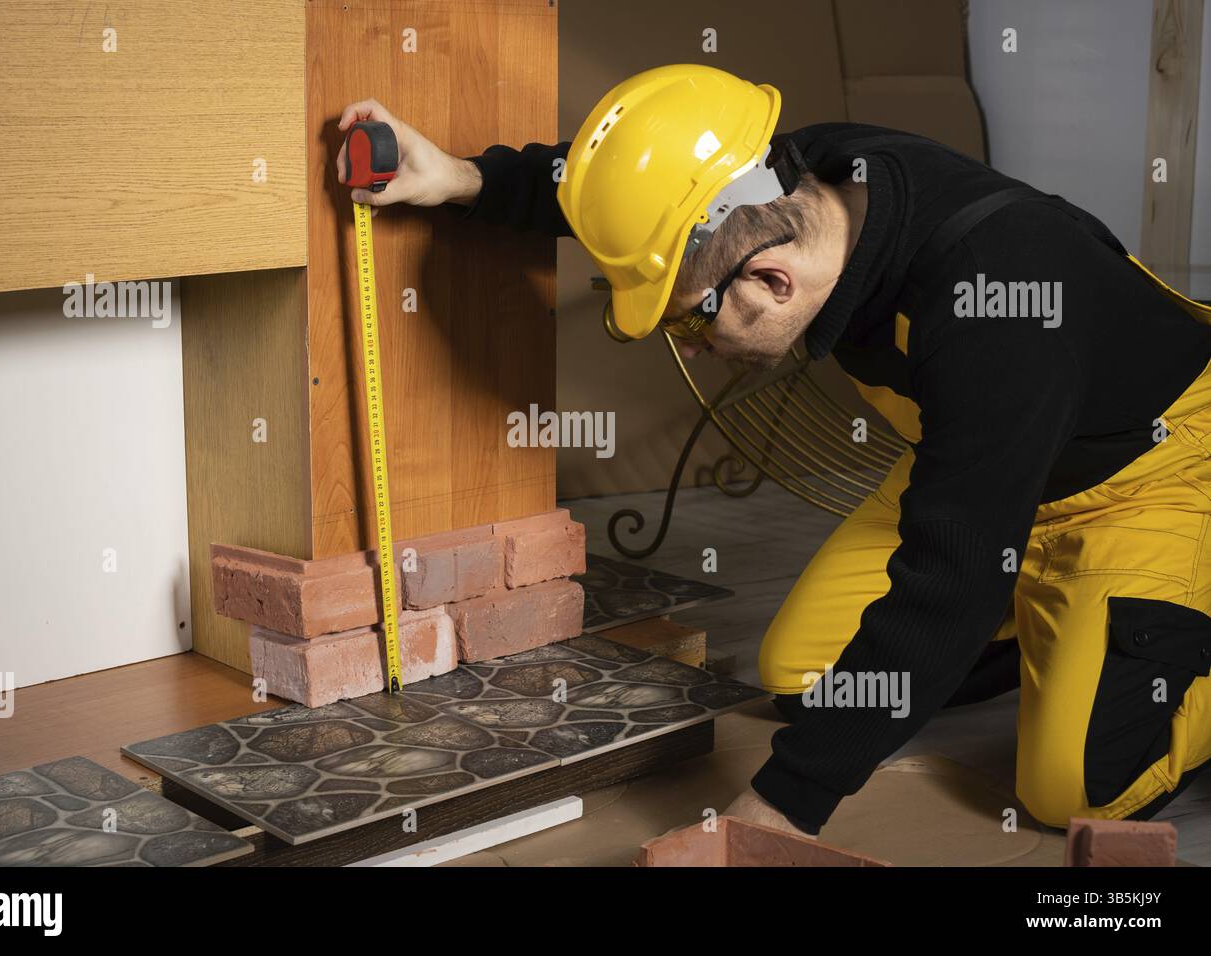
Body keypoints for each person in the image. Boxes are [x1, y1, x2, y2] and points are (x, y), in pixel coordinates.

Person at [336, 63, 1211, 838]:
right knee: (807, 678)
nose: (688, 350)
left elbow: (947, 585)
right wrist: (460, 177)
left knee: (1076, 789)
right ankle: (1059, 622)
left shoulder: (1000, 306)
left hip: (1156, 475)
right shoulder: (804, 179)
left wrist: (780, 812)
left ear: (770, 279)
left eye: (690, 321)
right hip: (998, 457)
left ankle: (1148, 628)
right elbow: (636, 191)